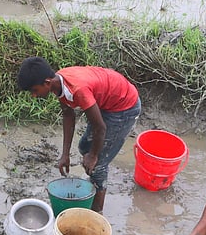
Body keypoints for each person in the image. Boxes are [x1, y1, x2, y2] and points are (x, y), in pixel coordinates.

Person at [16, 57, 141, 213]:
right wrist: (65, 155)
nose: (34, 96)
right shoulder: (59, 83)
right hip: (106, 101)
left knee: (98, 164)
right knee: (84, 147)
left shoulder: (77, 90)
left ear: (47, 82)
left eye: (34, 91)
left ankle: (96, 213)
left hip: (124, 107)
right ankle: (94, 180)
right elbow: (68, 115)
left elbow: (100, 128)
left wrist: (94, 156)